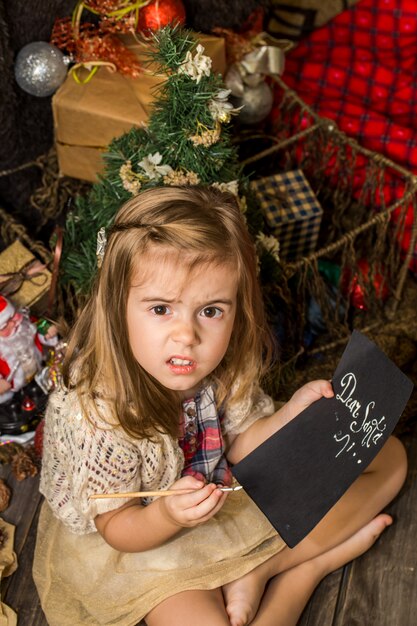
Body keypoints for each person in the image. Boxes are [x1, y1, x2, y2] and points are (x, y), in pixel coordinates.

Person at [33, 186, 407, 626]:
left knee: (391, 458)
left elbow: (242, 448)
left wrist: (291, 417)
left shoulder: (223, 366)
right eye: (161, 309)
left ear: (235, 308)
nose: (186, 335)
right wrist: (167, 514)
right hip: (142, 541)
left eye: (210, 311)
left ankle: (265, 568)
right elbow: (118, 528)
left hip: (222, 498)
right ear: (117, 307)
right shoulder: (95, 412)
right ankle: (306, 572)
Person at [0, 295, 58, 403]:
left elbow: (39, 324)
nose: (13, 324)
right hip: (14, 390)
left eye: (12, 317)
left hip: (41, 373)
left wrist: (48, 331)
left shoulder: (24, 325)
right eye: (4, 327)